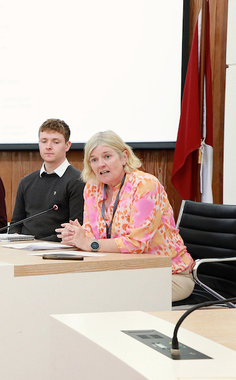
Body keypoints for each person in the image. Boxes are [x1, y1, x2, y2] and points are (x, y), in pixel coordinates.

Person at [55, 130, 195, 302]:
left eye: (107, 156)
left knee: (106, 297)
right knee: (71, 288)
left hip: (168, 275)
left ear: (124, 157)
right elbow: (91, 234)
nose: (101, 164)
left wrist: (88, 243)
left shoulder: (145, 185)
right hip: (123, 272)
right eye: (94, 160)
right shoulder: (92, 188)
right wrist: (77, 237)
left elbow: (137, 243)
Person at [10, 119, 85, 241]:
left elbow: (75, 229)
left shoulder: (78, 181)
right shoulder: (26, 182)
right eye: (44, 141)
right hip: (22, 249)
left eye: (56, 142)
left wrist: (37, 243)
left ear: (67, 145)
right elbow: (14, 225)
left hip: (56, 250)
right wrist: (15, 238)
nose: (48, 147)